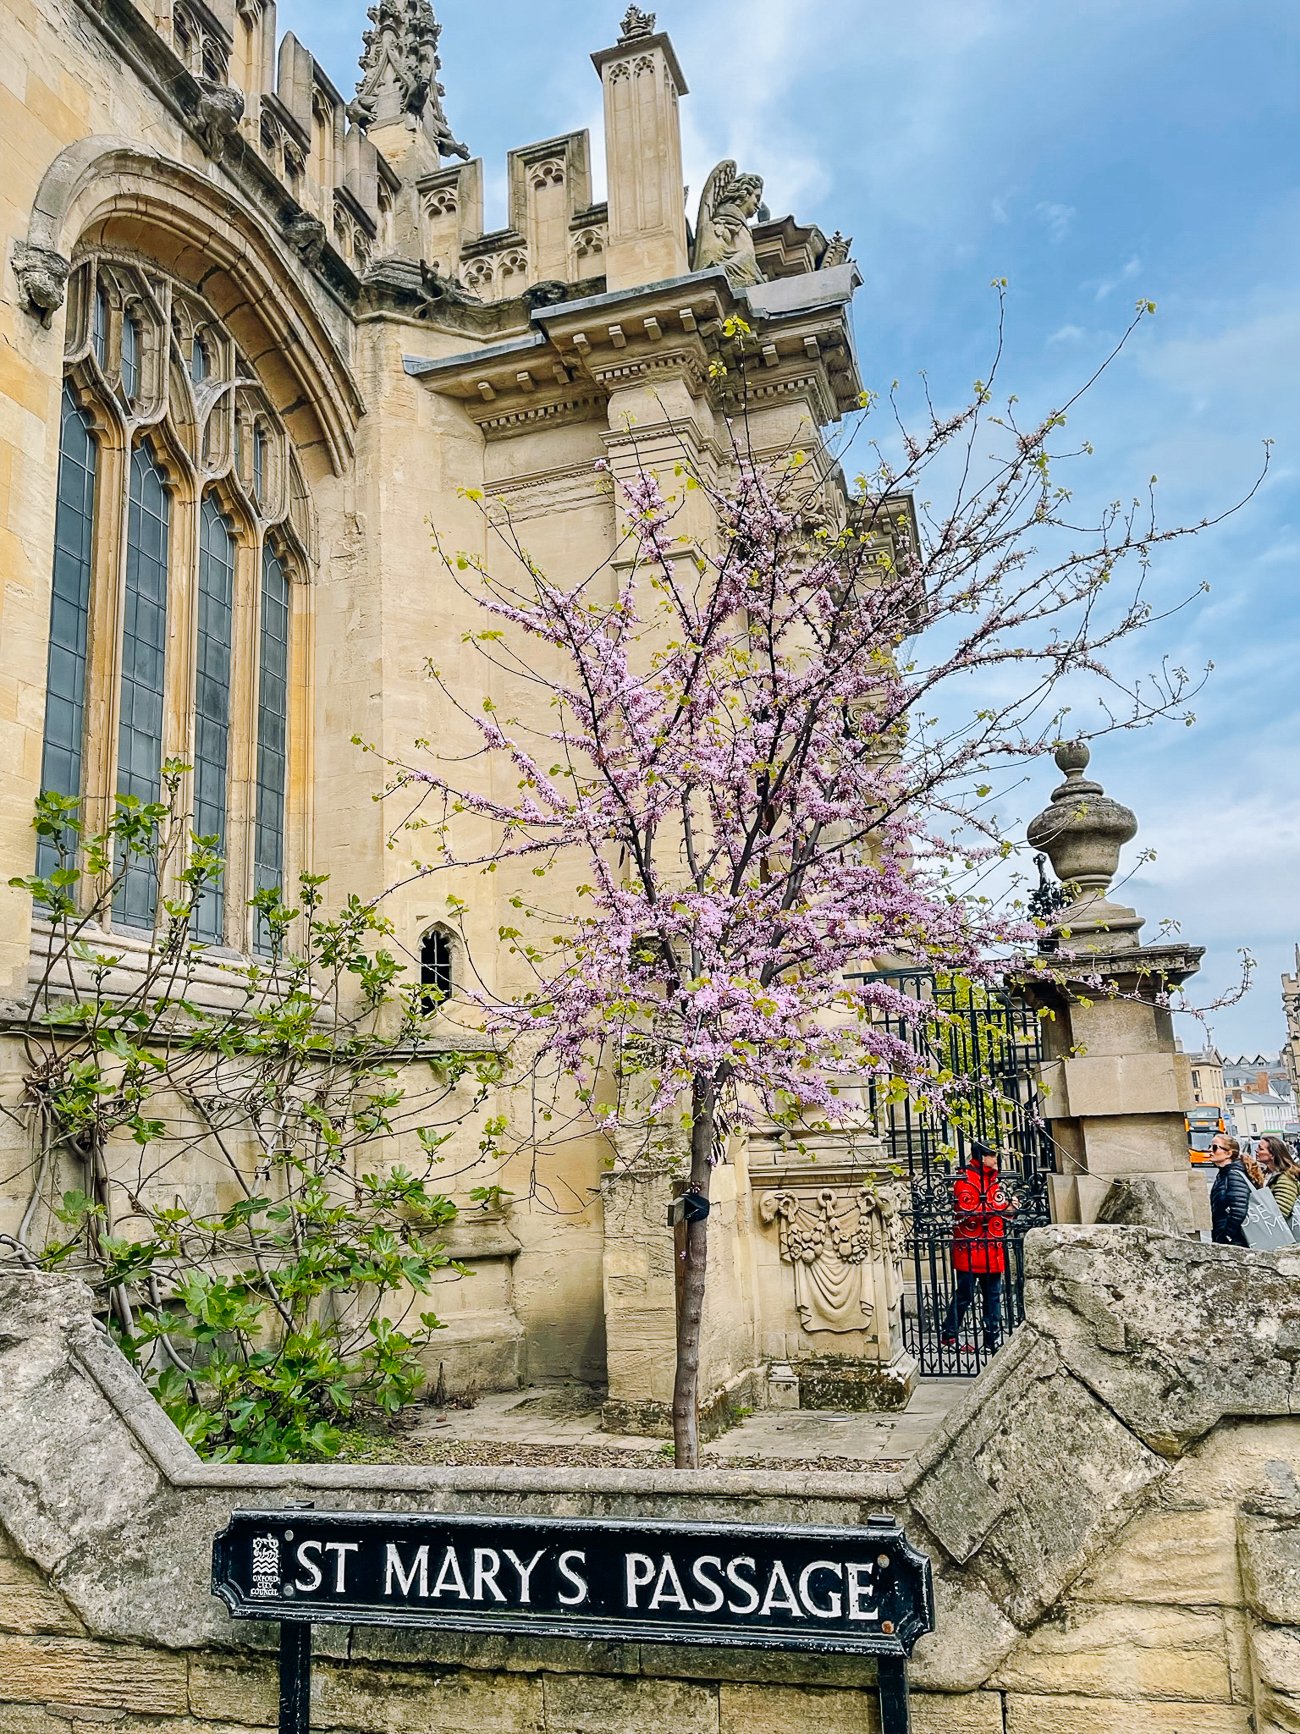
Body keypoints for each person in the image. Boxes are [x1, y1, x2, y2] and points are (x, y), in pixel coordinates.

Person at [941, 1140, 1013, 1352]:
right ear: (982, 1157)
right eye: (992, 1155)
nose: (996, 1158)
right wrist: (1000, 1208)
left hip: (992, 1247)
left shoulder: (994, 1180)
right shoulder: (964, 1180)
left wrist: (1008, 1208)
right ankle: (949, 1336)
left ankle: (993, 1339)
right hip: (970, 1249)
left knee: (993, 1296)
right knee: (965, 1295)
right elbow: (967, 1210)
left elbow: (996, 1207)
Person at [1208, 1133, 1252, 1246]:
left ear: (1228, 1153)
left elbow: (1239, 1210)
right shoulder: (1223, 1174)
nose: (1210, 1151)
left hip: (1235, 1242)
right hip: (1226, 1239)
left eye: (1214, 1148)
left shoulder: (1233, 1174)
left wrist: (1227, 1236)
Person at [1255, 1134, 1300, 1223]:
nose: (1256, 1150)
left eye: (1260, 1148)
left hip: (1280, 1232)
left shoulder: (1286, 1179)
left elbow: (1280, 1213)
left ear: (1272, 1154)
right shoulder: (1268, 1174)